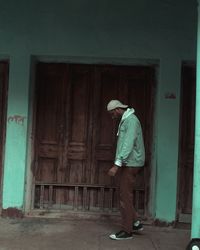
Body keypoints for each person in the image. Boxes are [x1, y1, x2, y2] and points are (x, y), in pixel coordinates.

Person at [107, 99, 145, 240]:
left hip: (131, 163)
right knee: (125, 194)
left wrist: (116, 165)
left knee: (125, 197)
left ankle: (127, 231)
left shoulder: (131, 121)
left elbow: (128, 144)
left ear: (117, 109)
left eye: (112, 113)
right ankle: (134, 223)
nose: (112, 116)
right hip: (129, 163)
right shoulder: (127, 119)